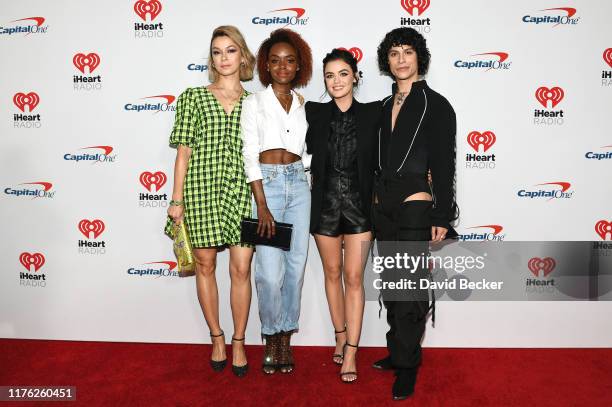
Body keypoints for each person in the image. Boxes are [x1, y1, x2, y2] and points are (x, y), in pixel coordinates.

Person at [372, 27, 459, 400]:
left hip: (415, 200)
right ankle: (399, 352)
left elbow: (443, 164)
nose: (401, 59)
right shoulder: (381, 106)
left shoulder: (437, 105)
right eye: (394, 53)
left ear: (419, 57)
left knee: (409, 287)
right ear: (387, 61)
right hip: (382, 202)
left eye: (408, 51)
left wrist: (441, 216)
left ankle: (408, 367)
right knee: (393, 285)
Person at [167, 25, 256, 378]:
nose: (224, 58)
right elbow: (183, 153)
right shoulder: (192, 96)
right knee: (204, 266)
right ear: (211, 58)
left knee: (241, 269)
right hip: (200, 192)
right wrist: (176, 201)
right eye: (217, 52)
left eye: (231, 50)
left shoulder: (256, 102)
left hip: (244, 194)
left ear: (243, 56)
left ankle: (238, 340)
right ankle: (216, 337)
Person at [305, 49, 381, 383]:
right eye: (329, 75)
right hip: (324, 205)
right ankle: (339, 333)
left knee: (353, 278)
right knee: (332, 272)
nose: (336, 81)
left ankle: (351, 349)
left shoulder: (374, 113)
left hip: (360, 207)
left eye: (343, 74)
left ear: (355, 76)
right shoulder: (314, 112)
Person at [241, 28, 312, 375]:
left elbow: (309, 151)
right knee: (269, 273)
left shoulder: (304, 105)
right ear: (265, 66)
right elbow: (249, 154)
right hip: (265, 188)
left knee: (295, 268)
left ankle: (285, 336)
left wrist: (307, 174)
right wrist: (262, 204)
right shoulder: (253, 103)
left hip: (299, 186)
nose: (282, 66)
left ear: (298, 66)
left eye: (289, 60)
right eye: (275, 60)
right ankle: (270, 334)